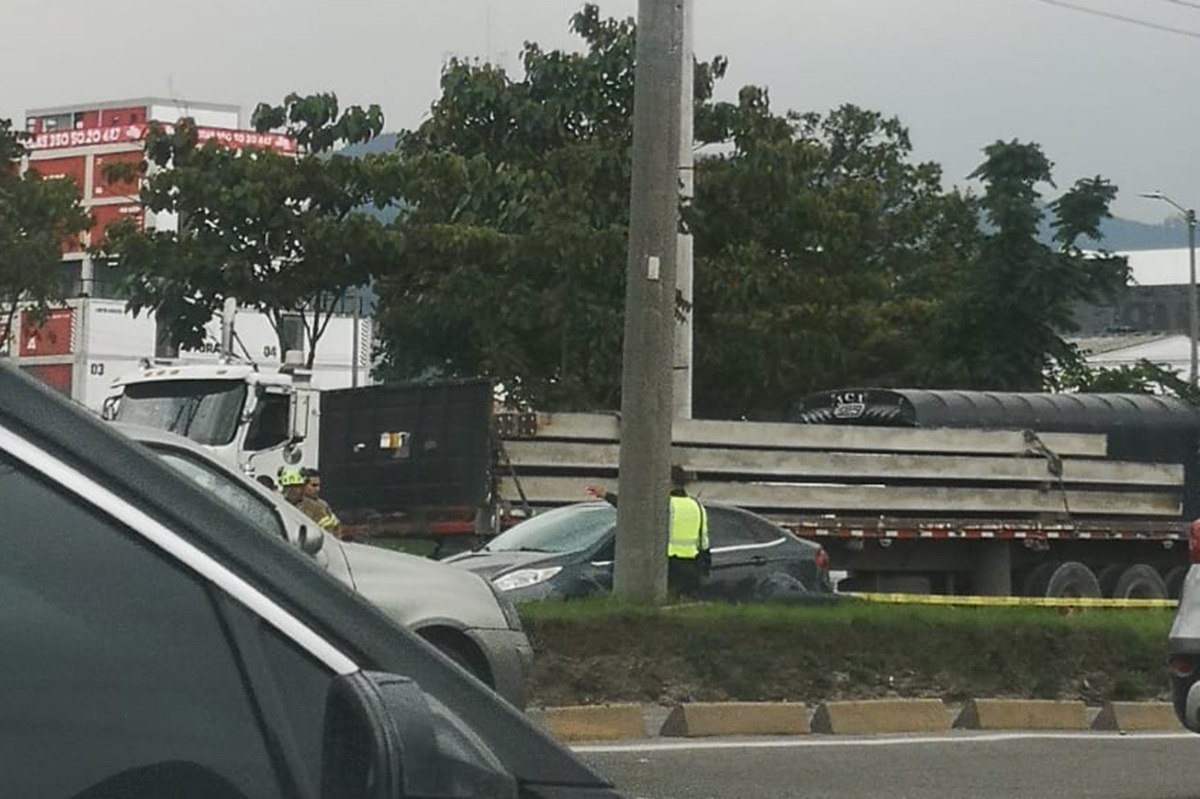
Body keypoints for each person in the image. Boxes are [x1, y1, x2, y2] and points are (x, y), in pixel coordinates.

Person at [585, 466, 710, 596]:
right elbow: (704, 543)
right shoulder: (697, 505)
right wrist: (703, 572)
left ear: (668, 482)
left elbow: (632, 511)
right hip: (690, 569)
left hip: (666, 567)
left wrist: (606, 495)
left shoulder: (662, 504)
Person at [301, 467, 344, 539]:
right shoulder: (293, 504)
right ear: (303, 485)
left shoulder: (322, 505)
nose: (318, 489)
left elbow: (337, 526)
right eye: (313, 485)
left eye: (318, 485)